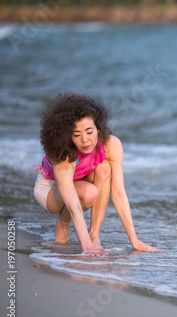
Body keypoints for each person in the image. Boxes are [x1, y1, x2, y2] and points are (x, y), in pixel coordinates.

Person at [33, 92, 163, 256]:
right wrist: (85, 245)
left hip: (80, 183)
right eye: (76, 135)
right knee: (89, 193)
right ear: (67, 136)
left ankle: (95, 235)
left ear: (99, 129)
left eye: (89, 131)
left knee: (104, 168)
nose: (85, 140)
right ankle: (62, 224)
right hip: (50, 191)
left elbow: (119, 194)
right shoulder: (64, 155)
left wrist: (134, 240)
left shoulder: (111, 145)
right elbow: (73, 206)